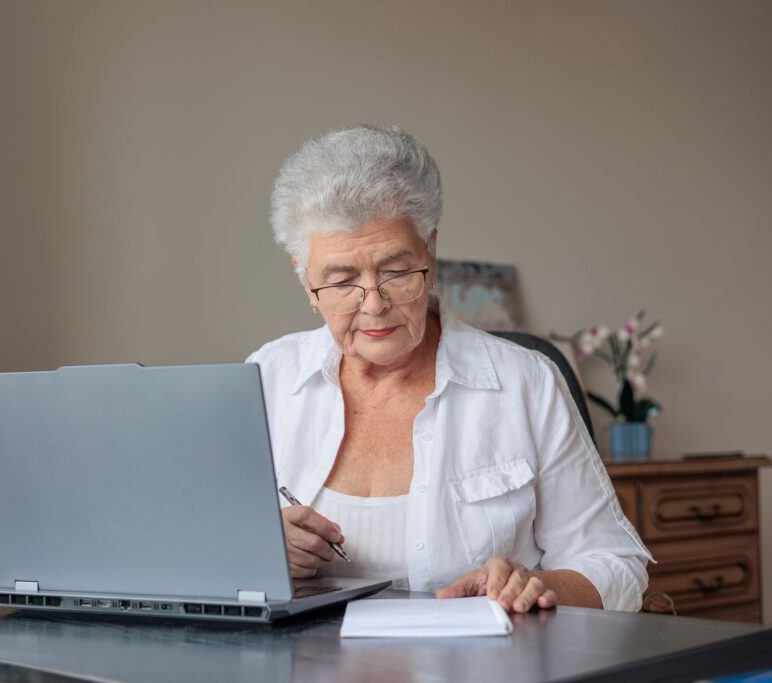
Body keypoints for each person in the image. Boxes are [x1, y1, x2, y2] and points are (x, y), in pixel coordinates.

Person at [247, 125, 652, 613]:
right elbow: (196, 549)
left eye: (397, 271)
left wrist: (538, 586)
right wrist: (258, 550)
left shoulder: (527, 383)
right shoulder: (265, 378)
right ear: (305, 279)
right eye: (341, 280)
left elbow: (617, 565)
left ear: (431, 254)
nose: (373, 304)